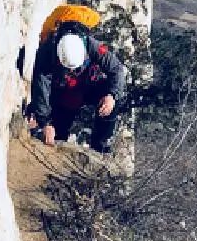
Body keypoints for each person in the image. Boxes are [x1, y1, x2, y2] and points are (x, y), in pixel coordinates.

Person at [26, 19, 128, 154]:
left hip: (88, 86)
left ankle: (100, 146)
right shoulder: (47, 53)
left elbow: (116, 68)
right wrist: (45, 122)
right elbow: (41, 89)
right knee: (56, 135)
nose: (72, 71)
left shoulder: (92, 45)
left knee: (112, 101)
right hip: (63, 93)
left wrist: (111, 96)